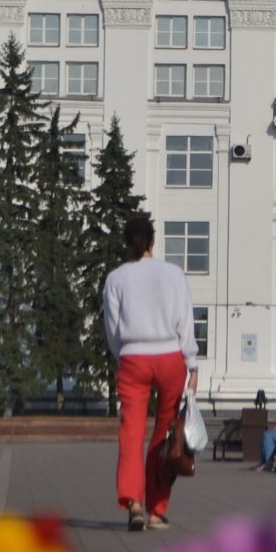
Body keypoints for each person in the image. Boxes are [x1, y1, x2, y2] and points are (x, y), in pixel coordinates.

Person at [101, 213, 199, 532]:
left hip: (133, 359)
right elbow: (185, 320)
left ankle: (134, 504)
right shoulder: (173, 274)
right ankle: (157, 510)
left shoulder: (115, 279)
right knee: (165, 434)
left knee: (131, 433)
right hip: (170, 357)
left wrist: (125, 353)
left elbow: (113, 328)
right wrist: (192, 363)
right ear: (153, 241)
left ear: (127, 243)